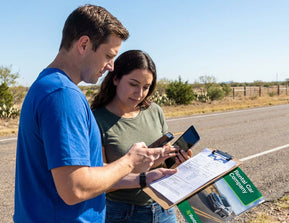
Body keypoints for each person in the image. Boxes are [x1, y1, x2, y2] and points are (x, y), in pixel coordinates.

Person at [13, 5, 176, 222]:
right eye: (109, 55)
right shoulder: (63, 96)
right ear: (83, 44)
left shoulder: (46, 86)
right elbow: (76, 188)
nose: (110, 67)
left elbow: (90, 177)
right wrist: (129, 161)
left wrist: (143, 178)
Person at [91, 50, 192, 223]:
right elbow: (98, 180)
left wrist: (175, 161)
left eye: (146, 87)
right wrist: (142, 178)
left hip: (163, 208)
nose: (139, 93)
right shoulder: (96, 119)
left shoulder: (154, 111)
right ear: (115, 79)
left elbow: (157, 162)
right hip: (122, 214)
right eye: (133, 84)